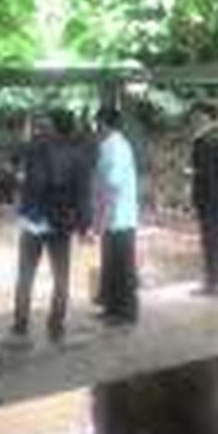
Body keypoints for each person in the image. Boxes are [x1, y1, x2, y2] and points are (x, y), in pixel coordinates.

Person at [10, 108, 94, 344]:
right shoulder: (79, 153)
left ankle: (20, 324)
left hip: (34, 220)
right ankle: (56, 325)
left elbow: (14, 159)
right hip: (60, 221)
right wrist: (84, 226)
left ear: (53, 125)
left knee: (26, 274)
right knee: (61, 276)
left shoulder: (35, 146)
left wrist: (27, 134)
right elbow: (83, 194)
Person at [93, 105, 139, 325]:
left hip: (119, 215)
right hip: (112, 215)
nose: (96, 128)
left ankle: (127, 312)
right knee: (110, 263)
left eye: (98, 123)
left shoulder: (117, 147)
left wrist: (102, 217)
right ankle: (112, 308)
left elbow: (112, 185)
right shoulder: (109, 145)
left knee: (123, 266)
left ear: (104, 123)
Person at [189, 101, 218, 294]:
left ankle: (213, 283)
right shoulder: (217, 137)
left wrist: (192, 174)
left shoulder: (205, 140)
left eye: (197, 115)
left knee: (211, 240)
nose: (194, 119)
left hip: (209, 198)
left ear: (206, 117)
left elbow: (206, 173)